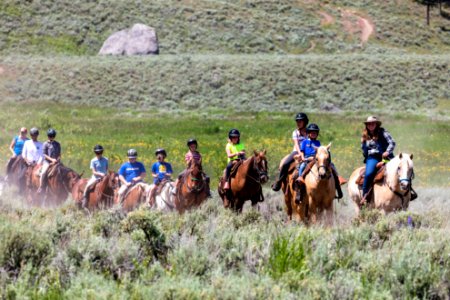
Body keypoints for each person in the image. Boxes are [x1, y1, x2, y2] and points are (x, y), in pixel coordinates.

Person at [296, 124, 345, 203]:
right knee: (302, 166)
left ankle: (338, 181)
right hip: (307, 159)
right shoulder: (305, 142)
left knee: (331, 165)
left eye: (315, 133)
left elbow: (320, 152)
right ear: (308, 133)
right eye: (311, 132)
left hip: (317, 159)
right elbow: (302, 152)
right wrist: (303, 158)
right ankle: (300, 182)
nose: (313, 134)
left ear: (317, 134)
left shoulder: (318, 142)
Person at [360, 116, 397, 204]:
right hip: (373, 158)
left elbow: (392, 142)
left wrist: (387, 151)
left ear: (376, 124)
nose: (371, 125)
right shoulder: (365, 136)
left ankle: (408, 192)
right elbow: (364, 150)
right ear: (367, 125)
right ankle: (365, 196)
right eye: (369, 124)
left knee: (401, 169)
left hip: (387, 157)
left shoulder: (383, 132)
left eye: (373, 123)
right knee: (368, 174)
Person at [271, 112, 308, 191]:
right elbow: (296, 144)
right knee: (285, 164)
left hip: (308, 152)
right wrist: (300, 153)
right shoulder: (295, 132)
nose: (298, 123)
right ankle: (279, 182)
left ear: (305, 122)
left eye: (300, 121)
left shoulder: (309, 132)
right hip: (296, 152)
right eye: (297, 121)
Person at [38, 128, 61, 193]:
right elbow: (44, 154)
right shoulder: (45, 144)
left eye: (53, 136)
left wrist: (57, 160)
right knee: (43, 172)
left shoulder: (57, 144)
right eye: (50, 136)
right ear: (48, 136)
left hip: (56, 162)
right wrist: (52, 160)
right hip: (47, 162)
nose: (51, 137)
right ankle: (41, 187)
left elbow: (59, 154)